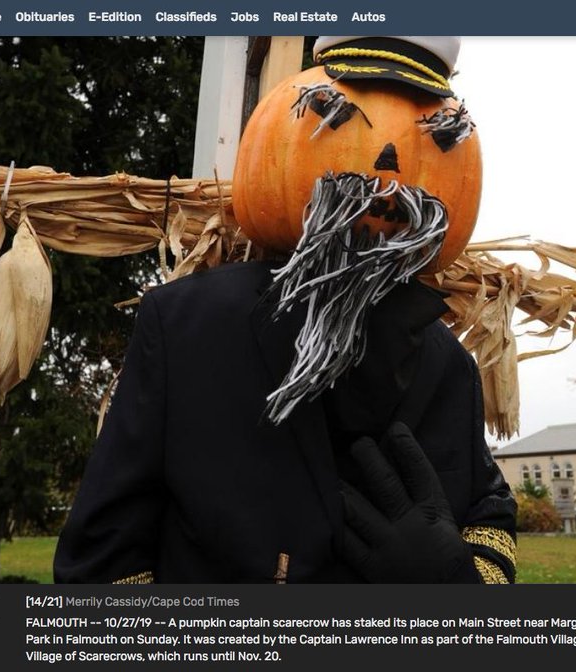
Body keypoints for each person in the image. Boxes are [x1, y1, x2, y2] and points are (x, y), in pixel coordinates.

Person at [54, 37, 517, 584]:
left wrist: (452, 588)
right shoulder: (186, 327)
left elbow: (491, 516)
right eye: (339, 119)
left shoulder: (449, 365)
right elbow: (103, 562)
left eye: (439, 140)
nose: (386, 166)